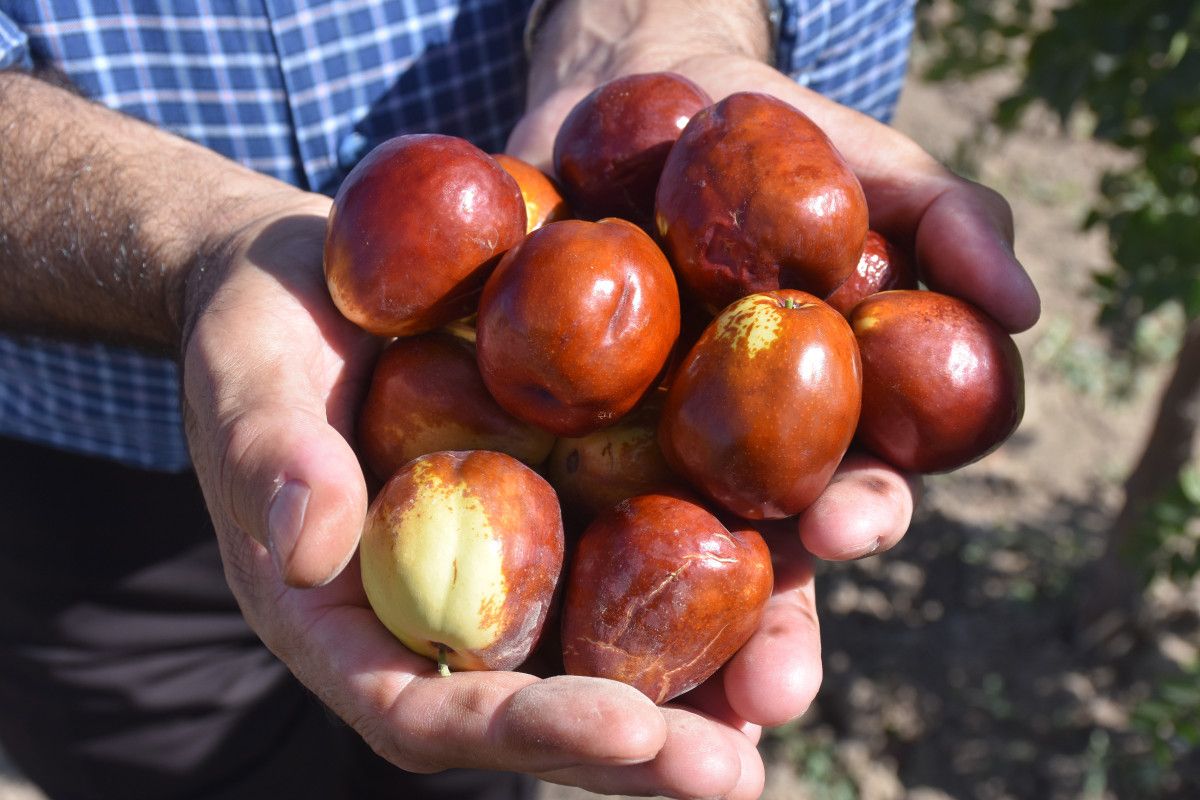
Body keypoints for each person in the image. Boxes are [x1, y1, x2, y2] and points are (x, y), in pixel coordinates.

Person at [0, 0, 1040, 797]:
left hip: (493, 489)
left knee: (472, 757)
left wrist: (652, 20)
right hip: (89, 479)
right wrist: (200, 252)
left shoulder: (732, 303)